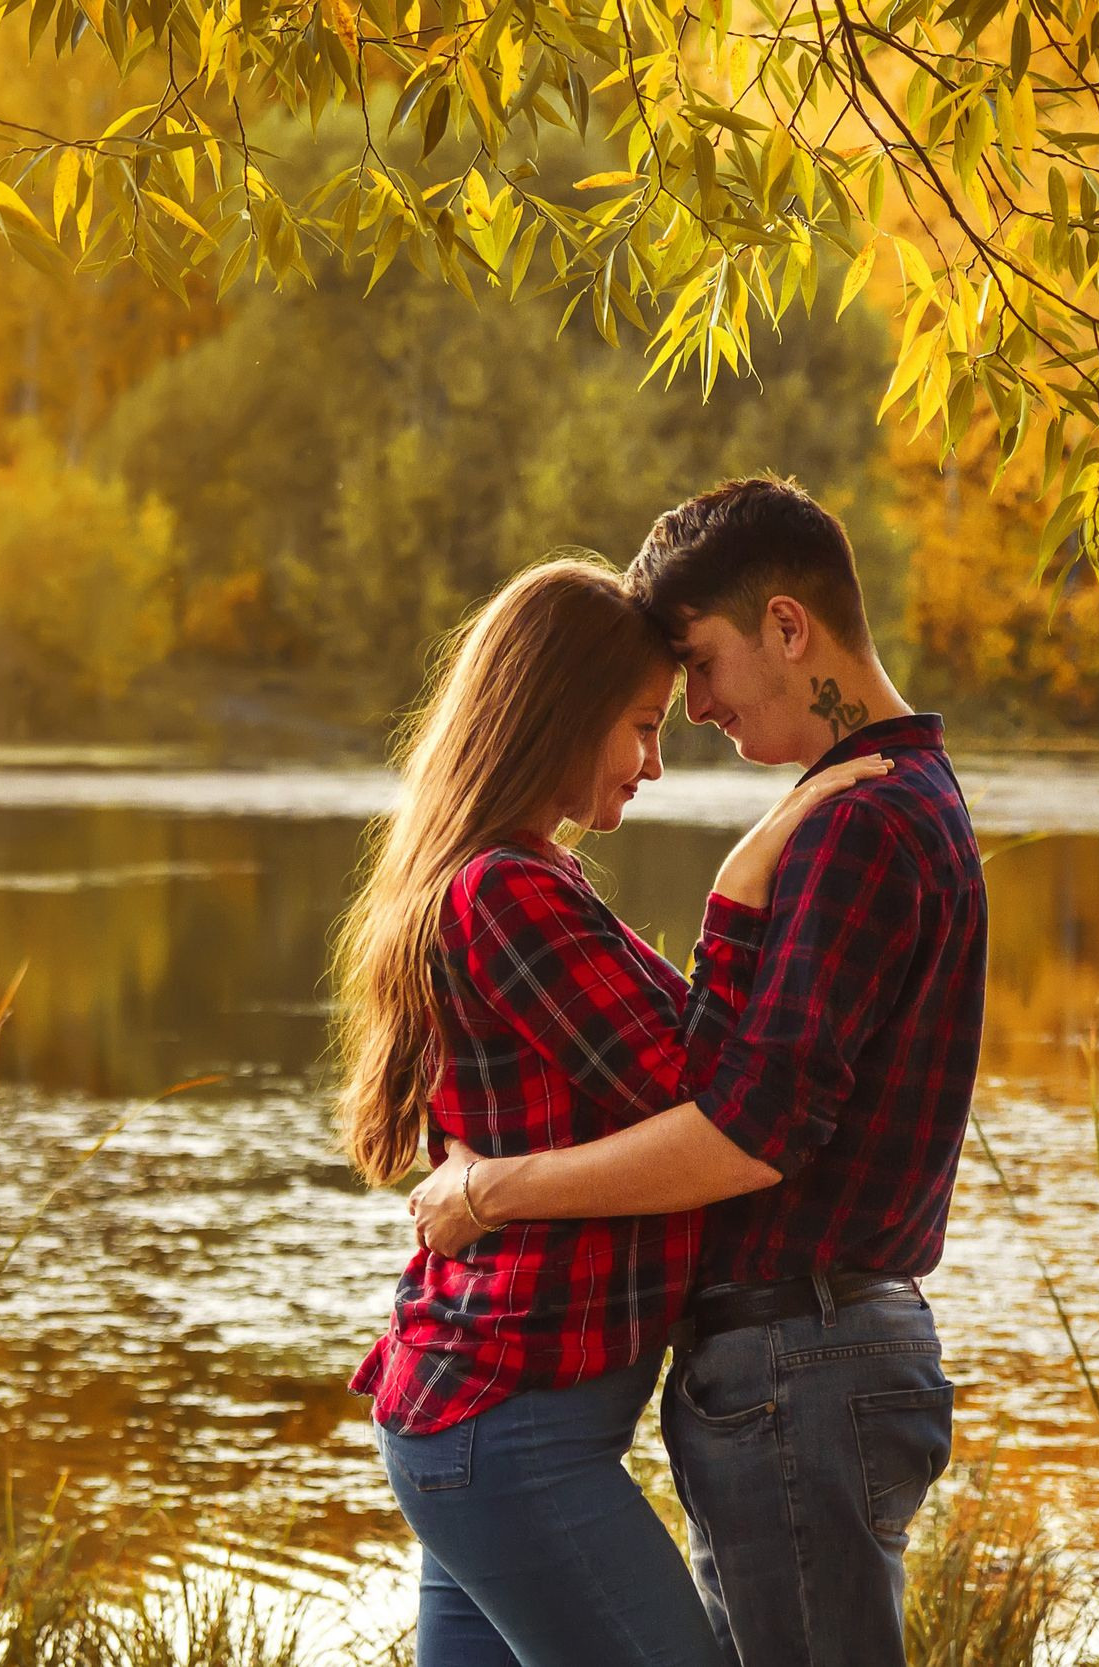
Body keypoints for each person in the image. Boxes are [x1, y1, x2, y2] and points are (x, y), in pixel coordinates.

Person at [411, 478, 989, 1667]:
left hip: (805, 1350)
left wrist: (492, 1189)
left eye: (702, 666)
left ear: (788, 625)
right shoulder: (880, 803)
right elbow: (728, 1083)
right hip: (804, 1351)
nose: (697, 706)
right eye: (656, 704)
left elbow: (740, 1128)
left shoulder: (852, 826)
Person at [338, 555, 888, 1667]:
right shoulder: (508, 890)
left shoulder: (515, 874)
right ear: (557, 712)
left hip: (475, 1428)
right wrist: (739, 885)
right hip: (510, 1437)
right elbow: (711, 1089)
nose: (650, 763)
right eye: (638, 725)